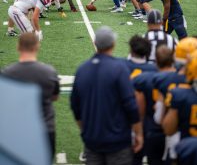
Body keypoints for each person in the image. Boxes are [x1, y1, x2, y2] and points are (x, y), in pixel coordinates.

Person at [71, 26, 143, 165]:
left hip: (92, 141)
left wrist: (85, 131)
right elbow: (130, 105)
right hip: (118, 140)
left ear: (95, 43)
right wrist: (138, 133)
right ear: (113, 44)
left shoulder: (82, 69)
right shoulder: (120, 68)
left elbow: (76, 108)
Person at [3, 32, 60, 160]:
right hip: (45, 130)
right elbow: (55, 97)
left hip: (18, 130)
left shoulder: (7, 73)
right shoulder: (49, 72)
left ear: (18, 47)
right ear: (37, 46)